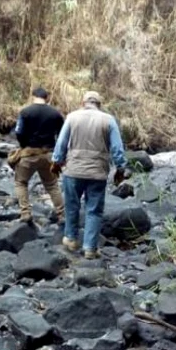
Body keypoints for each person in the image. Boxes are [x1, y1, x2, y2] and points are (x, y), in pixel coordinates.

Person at [51, 90, 129, 259]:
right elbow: (117, 148)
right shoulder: (108, 120)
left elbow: (61, 143)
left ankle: (71, 239)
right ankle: (90, 249)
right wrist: (120, 168)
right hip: (97, 173)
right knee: (94, 211)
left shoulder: (72, 117)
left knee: (72, 205)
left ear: (83, 102)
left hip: (73, 170)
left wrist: (56, 162)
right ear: (99, 104)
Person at [13, 87, 65, 223]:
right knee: (52, 185)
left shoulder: (25, 112)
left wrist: (23, 144)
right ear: (46, 98)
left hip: (28, 154)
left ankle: (25, 213)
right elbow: (62, 135)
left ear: (33, 96)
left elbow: (18, 131)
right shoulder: (55, 114)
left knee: (21, 182)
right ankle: (61, 214)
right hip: (48, 154)